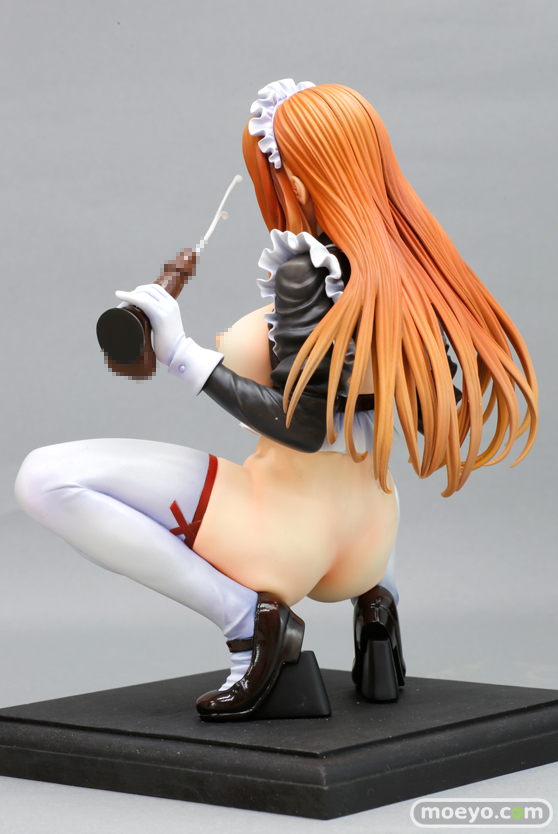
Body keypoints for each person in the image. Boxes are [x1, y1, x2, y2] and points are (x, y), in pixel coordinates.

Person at [14, 80, 538, 721]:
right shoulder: (413, 269)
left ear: (298, 179)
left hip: (285, 535)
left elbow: (306, 426)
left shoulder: (306, 271)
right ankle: (380, 616)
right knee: (363, 452)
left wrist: (181, 354)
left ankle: (250, 627)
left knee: (45, 479)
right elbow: (412, 408)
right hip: (369, 541)